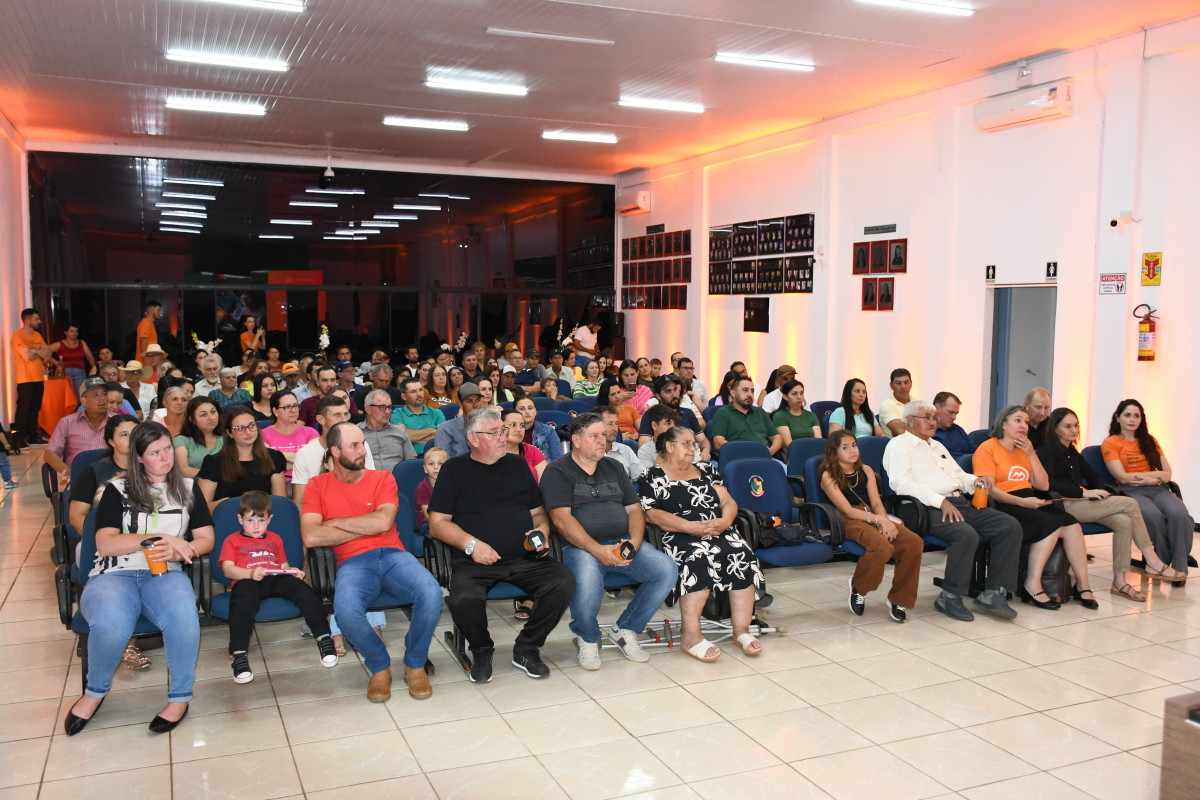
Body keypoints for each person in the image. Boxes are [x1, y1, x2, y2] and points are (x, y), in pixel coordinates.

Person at [62, 421, 214, 737]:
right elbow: (105, 543)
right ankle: (94, 692)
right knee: (112, 624)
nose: (166, 457)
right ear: (139, 457)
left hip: (165, 572)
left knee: (184, 617)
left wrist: (181, 551)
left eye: (168, 449)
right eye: (155, 453)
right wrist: (158, 538)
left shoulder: (188, 488)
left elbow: (206, 538)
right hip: (114, 573)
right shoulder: (117, 490)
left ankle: (180, 698)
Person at [428, 407, 575, 683]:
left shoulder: (518, 465)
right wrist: (472, 545)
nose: (503, 438)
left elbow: (538, 512)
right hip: (475, 561)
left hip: (524, 556)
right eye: (494, 433)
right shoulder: (453, 470)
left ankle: (527, 646)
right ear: (473, 438)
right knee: (463, 599)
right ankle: (481, 649)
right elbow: (437, 523)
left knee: (563, 581)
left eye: (503, 431)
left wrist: (542, 531)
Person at [301, 422, 442, 702]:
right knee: (345, 611)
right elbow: (311, 536)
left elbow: (384, 522)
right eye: (354, 446)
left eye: (362, 444)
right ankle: (379, 665)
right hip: (353, 561)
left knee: (432, 593)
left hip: (393, 555)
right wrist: (367, 526)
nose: (362, 451)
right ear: (335, 451)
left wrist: (336, 522)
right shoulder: (317, 485)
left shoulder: (382, 478)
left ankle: (415, 663)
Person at [542, 412, 676, 669]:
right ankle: (588, 637)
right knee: (587, 577)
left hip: (621, 541)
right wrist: (597, 550)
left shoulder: (614, 467)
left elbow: (634, 510)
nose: (602, 440)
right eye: (594, 436)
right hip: (580, 547)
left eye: (603, 435)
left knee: (666, 569)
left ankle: (626, 628)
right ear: (576, 440)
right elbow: (561, 520)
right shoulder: (557, 471)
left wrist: (634, 543)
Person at [883, 400, 1021, 622]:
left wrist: (975, 481)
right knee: (965, 534)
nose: (933, 422)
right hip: (922, 507)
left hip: (957, 502)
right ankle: (949, 596)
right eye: (927, 418)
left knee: (1009, 525)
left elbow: (958, 475)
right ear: (909, 421)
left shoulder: (937, 446)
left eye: (934, 418)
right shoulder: (898, 445)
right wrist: (939, 501)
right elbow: (902, 485)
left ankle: (994, 593)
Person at [639, 425, 765, 661]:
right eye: (686, 443)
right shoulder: (652, 475)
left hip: (716, 530)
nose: (692, 448)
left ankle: (741, 630)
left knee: (742, 554)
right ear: (669, 446)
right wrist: (689, 527)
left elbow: (728, 501)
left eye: (694, 444)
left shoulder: (707, 470)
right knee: (698, 559)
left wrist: (725, 522)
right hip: (679, 535)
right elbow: (651, 514)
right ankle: (691, 636)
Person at [1039, 407, 1185, 601]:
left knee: (1124, 521)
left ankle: (1119, 581)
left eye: (1076, 425)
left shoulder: (1071, 450)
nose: (1074, 430)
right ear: (1055, 428)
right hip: (1065, 504)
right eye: (1068, 426)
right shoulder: (1048, 450)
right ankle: (1152, 560)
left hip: (1082, 502)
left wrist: (1101, 491)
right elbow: (1048, 483)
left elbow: (1093, 475)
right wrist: (1083, 492)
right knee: (1130, 504)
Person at [973, 405, 1096, 610]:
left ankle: (1083, 586)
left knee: (1072, 526)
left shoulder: (1025, 450)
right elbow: (990, 490)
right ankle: (1032, 583)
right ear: (1003, 424)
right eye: (1018, 420)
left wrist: (1031, 454)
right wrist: (1023, 502)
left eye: (1026, 422)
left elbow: (1043, 486)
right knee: (1050, 524)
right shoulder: (987, 448)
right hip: (1003, 503)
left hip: (1028, 498)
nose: (1023, 425)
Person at [221, 491, 336, 684]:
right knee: (242, 604)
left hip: (275, 577)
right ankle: (239, 656)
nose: (256, 526)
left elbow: (283, 565)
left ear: (269, 519)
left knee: (305, 592)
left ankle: (324, 638)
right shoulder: (232, 541)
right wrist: (249, 573)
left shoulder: (275, 539)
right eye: (250, 520)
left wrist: (292, 571)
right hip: (247, 580)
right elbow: (227, 570)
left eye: (261, 520)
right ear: (240, 519)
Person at [819, 431, 924, 621]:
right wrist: (879, 521)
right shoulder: (828, 476)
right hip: (846, 518)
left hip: (872, 514)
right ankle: (859, 587)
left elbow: (876, 502)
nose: (852, 450)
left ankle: (899, 598)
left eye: (854, 445)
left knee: (914, 543)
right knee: (882, 547)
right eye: (845, 447)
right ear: (834, 452)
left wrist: (884, 521)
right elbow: (848, 511)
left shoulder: (866, 470)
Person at [1102, 399, 1194, 579]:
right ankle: (1160, 564)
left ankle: (1180, 567)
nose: (1132, 419)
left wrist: (1152, 479)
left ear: (1141, 419)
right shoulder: (1111, 443)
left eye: (1136, 416)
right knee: (1153, 516)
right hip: (1131, 490)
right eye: (1127, 415)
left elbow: (1167, 474)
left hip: (1157, 488)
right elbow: (1122, 477)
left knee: (1179, 513)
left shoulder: (1149, 441)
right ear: (1118, 418)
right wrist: (1156, 475)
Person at [291, 395, 374, 508]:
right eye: (337, 415)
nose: (344, 420)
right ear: (321, 419)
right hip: (319, 512)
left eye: (346, 414)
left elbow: (369, 485)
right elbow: (300, 502)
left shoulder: (361, 445)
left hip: (358, 506)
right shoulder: (305, 453)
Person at [197, 407, 287, 511]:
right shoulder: (213, 463)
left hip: (265, 519)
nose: (248, 432)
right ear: (229, 433)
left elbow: (280, 504)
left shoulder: (273, 457)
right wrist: (227, 504)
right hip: (228, 517)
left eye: (252, 425)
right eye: (240, 428)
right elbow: (202, 509)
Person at [44, 376, 114, 484]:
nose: (102, 399)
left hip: (111, 480)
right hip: (78, 480)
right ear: (83, 401)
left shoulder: (117, 421)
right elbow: (50, 453)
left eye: (105, 394)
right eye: (96, 395)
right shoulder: (67, 423)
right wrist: (68, 472)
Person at [636, 374, 713, 462]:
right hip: (661, 462)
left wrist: (706, 451)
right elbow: (644, 445)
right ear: (658, 396)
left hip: (691, 460)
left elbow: (703, 440)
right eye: (668, 391)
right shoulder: (651, 414)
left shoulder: (688, 413)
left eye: (675, 389)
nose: (674, 395)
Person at [709, 375, 783, 457]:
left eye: (752, 391)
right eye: (745, 390)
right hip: (738, 458)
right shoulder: (722, 413)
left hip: (763, 457)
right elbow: (718, 443)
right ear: (733, 393)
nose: (750, 394)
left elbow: (777, 437)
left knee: (781, 465)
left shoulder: (760, 412)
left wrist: (770, 451)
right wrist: (747, 451)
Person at [12, 308, 52, 447]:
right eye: (36, 319)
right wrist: (39, 352)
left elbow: (48, 351)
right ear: (27, 320)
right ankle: (19, 438)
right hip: (25, 378)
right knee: (23, 409)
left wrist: (35, 351)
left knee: (35, 408)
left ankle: (33, 436)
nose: (39, 321)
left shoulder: (37, 335)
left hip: (38, 377)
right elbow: (27, 356)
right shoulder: (18, 336)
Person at [260, 391, 318, 481]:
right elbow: (268, 466)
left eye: (295, 406)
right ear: (275, 411)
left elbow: (315, 461)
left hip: (307, 481)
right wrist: (304, 461)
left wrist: (278, 457)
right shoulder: (262, 435)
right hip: (276, 482)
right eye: (287, 407)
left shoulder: (311, 432)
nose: (293, 410)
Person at [358, 389, 417, 471]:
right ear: (368, 409)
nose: (387, 411)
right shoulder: (356, 433)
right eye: (382, 407)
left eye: (389, 407)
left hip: (395, 478)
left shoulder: (399, 431)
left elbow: (410, 461)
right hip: (368, 477)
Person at [391, 376, 444, 455]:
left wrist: (411, 436)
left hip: (435, 457)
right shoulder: (397, 413)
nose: (419, 394)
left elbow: (442, 436)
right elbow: (401, 437)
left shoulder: (437, 413)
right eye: (413, 391)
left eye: (420, 390)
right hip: (409, 458)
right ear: (404, 396)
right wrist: (432, 430)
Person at [174, 396, 223, 479]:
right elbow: (183, 470)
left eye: (213, 412)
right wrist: (215, 477)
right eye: (203, 415)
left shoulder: (226, 439)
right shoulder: (181, 440)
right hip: (194, 485)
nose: (211, 418)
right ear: (192, 419)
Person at [432, 383, 485, 458]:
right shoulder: (446, 429)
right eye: (469, 401)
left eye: (477, 400)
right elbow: (442, 461)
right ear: (460, 404)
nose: (475, 405)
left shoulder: (489, 426)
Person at [596, 404, 644, 481]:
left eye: (616, 423)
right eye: (610, 424)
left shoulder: (626, 450)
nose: (615, 429)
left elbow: (642, 477)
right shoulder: (588, 452)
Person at [50, 324, 96, 398]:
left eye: (76, 331)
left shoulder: (81, 343)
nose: (74, 333)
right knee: (64, 395)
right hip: (64, 372)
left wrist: (94, 368)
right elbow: (44, 352)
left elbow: (89, 357)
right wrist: (55, 362)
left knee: (81, 395)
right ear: (66, 332)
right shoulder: (60, 344)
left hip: (79, 373)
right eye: (72, 331)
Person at [513, 395, 564, 462]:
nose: (527, 411)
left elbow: (558, 460)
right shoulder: (508, 432)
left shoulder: (548, 431)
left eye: (530, 408)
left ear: (535, 411)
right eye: (522, 409)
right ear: (514, 412)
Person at [503, 408, 547, 481]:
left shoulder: (532, 451)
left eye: (522, 425)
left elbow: (546, 482)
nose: (518, 429)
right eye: (513, 425)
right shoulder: (491, 454)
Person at [637, 404, 680, 474]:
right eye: (668, 423)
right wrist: (661, 451)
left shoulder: (684, 444)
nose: (673, 428)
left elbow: (696, 467)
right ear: (654, 425)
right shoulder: (644, 451)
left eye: (674, 424)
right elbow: (649, 476)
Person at [931, 391, 974, 459]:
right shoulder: (927, 433)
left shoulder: (959, 430)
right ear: (936, 408)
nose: (954, 417)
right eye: (950, 412)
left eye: (956, 413)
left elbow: (977, 453)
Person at [413, 447, 447, 529]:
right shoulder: (423, 488)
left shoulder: (452, 484)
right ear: (425, 469)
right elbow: (429, 517)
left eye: (440, 463)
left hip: (447, 521)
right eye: (431, 464)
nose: (436, 467)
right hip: (428, 524)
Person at [877, 368, 914, 437]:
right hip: (901, 443)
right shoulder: (886, 405)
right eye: (898, 383)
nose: (903, 387)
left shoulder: (919, 402)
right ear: (891, 386)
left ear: (911, 384)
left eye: (906, 382)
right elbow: (901, 431)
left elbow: (929, 428)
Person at [135, 300, 161, 365]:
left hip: (150, 363)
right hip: (145, 365)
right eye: (158, 311)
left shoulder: (150, 324)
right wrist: (147, 365)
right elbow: (143, 347)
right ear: (151, 310)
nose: (160, 313)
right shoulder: (146, 324)